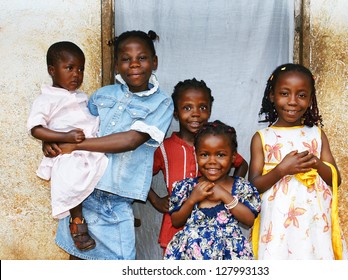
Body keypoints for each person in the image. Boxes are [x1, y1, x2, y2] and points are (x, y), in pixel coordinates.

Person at [45, 30, 174, 260]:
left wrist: (76, 146)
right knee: (79, 258)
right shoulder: (101, 95)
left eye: (142, 58)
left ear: (154, 62)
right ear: (116, 66)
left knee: (121, 262)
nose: (134, 64)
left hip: (115, 199)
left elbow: (132, 141)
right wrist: (51, 138)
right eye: (126, 59)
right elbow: (72, 126)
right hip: (83, 193)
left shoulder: (161, 103)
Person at [248, 63, 348, 260]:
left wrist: (317, 164)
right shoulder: (263, 137)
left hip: (314, 220)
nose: (293, 101)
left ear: (310, 99)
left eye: (301, 95)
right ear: (272, 95)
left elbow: (336, 180)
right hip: (278, 221)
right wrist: (281, 171)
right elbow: (253, 185)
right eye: (285, 93)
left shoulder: (317, 135)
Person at [148, 78, 249, 254]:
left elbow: (241, 163)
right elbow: (139, 174)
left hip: (214, 225)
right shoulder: (164, 148)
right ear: (176, 113)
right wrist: (155, 199)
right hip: (177, 225)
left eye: (202, 107)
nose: (195, 114)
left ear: (209, 111)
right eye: (187, 107)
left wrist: (230, 190)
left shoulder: (215, 144)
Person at [27, 41, 108, 251]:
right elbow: (36, 128)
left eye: (80, 69)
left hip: (89, 146)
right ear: (52, 71)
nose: (76, 74)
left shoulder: (81, 96)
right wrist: (64, 136)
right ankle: (77, 221)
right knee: (70, 178)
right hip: (68, 151)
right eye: (69, 68)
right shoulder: (46, 99)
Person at [163, 120, 261, 260]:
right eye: (204, 154)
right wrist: (192, 199)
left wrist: (225, 196)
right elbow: (176, 221)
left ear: (233, 156)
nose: (212, 161)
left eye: (220, 155)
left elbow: (249, 220)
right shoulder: (187, 187)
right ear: (196, 155)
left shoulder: (241, 187)